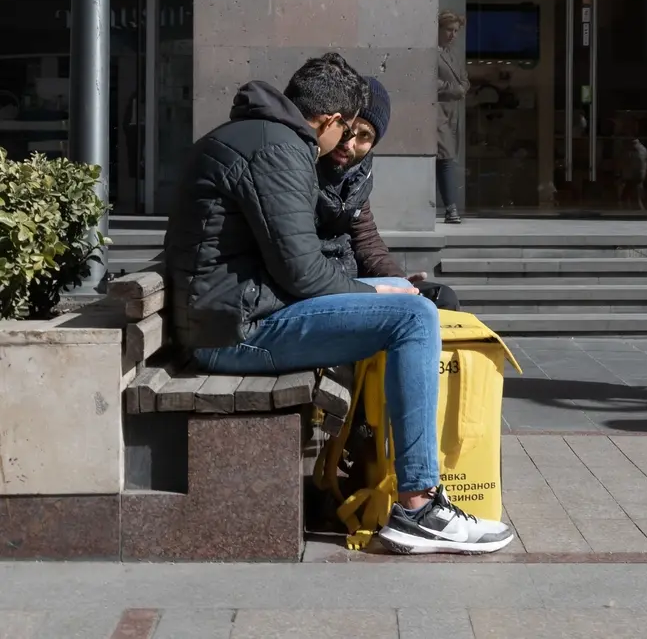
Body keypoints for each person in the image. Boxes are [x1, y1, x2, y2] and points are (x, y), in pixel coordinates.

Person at [163, 52, 513, 555]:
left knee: (409, 303)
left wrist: (383, 288)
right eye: (346, 129)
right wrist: (378, 293)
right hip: (234, 333)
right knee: (414, 317)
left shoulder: (257, 135)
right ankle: (419, 506)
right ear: (329, 120)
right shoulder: (280, 149)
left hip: (229, 317)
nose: (345, 142)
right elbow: (303, 273)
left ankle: (393, 477)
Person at [316, 75, 460, 312]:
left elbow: (366, 239)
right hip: (323, 288)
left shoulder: (359, 175)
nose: (349, 144)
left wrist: (398, 281)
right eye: (347, 129)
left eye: (364, 136)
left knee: (440, 298)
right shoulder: (302, 166)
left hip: (351, 280)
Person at [436, 9, 470, 225]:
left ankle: (450, 207)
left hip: (452, 115)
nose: (453, 35)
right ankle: (451, 208)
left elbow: (464, 79)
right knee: (446, 158)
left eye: (456, 31)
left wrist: (461, 87)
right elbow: (429, 80)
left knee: (447, 159)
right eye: (449, 30)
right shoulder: (432, 53)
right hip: (437, 114)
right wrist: (453, 88)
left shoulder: (453, 54)